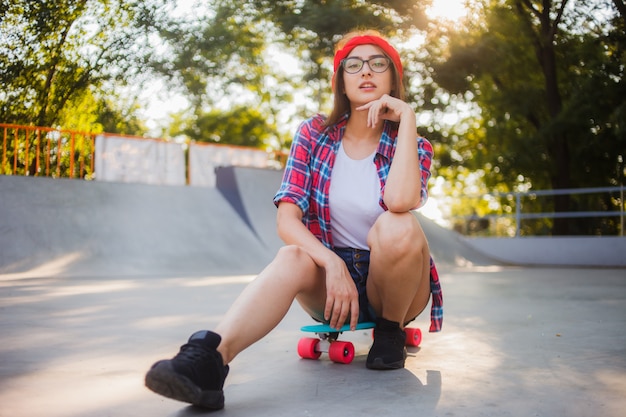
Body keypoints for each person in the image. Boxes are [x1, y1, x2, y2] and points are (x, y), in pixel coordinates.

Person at [144, 29, 443, 410]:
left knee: (397, 222)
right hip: (333, 289)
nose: (365, 71)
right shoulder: (314, 134)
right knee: (291, 255)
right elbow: (287, 221)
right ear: (341, 81)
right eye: (353, 65)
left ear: (392, 79)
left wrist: (407, 118)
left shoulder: (414, 145)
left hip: (398, 288)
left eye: (377, 63)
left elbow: (400, 200)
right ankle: (210, 360)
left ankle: (389, 332)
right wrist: (332, 263)